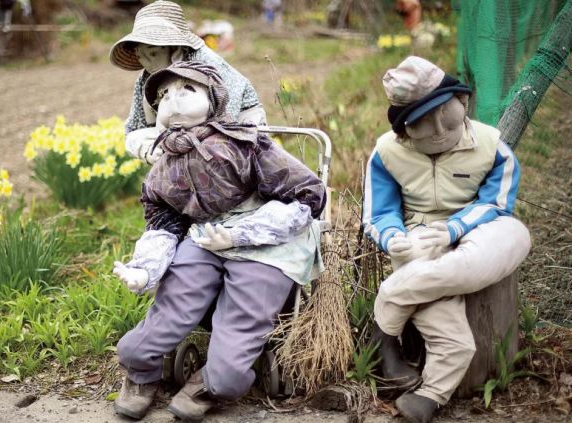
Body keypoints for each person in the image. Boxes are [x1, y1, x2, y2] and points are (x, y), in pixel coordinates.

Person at [111, 61, 325, 422]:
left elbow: (307, 195)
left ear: (213, 99)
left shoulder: (246, 143)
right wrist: (145, 269)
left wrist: (242, 233)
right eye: (163, 95)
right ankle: (140, 368)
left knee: (241, 328)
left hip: (267, 239)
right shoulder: (165, 165)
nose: (172, 100)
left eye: (186, 90)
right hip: (206, 235)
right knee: (171, 302)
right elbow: (163, 222)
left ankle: (215, 379)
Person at [363, 56, 531, 423]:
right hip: (419, 235)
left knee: (516, 234)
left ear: (464, 103)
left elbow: (497, 202)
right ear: (405, 127)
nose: (439, 130)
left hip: (481, 229)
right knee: (454, 340)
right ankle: (430, 395)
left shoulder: (492, 145)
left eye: (447, 116)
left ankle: (387, 313)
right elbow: (378, 213)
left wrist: (456, 228)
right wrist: (392, 239)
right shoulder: (387, 153)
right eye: (424, 122)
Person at [109, 0, 266, 165]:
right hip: (179, 129)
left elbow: (228, 112)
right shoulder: (145, 79)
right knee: (135, 139)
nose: (147, 63)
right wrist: (148, 148)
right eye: (141, 56)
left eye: (153, 54)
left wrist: (198, 138)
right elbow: (134, 128)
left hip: (234, 124)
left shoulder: (206, 62)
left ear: (175, 49)